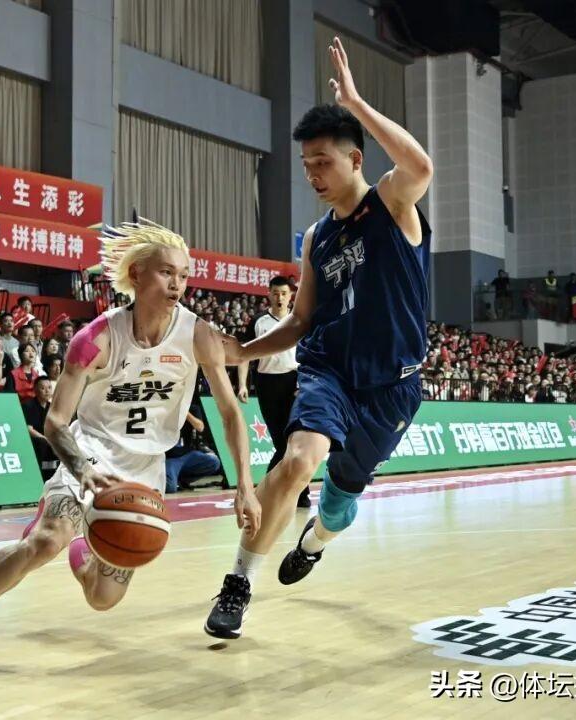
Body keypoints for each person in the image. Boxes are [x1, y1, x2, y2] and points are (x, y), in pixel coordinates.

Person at [0, 219, 261, 675]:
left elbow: (231, 413)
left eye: (183, 275)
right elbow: (56, 422)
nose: (177, 284)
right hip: (91, 454)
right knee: (44, 542)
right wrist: (81, 469)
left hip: (145, 472)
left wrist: (245, 485)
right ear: (136, 274)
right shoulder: (95, 338)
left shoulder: (198, 335)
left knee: (102, 599)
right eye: (165, 273)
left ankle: (85, 551)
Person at [204, 37, 433, 640]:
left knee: (338, 506)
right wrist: (241, 351)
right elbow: (301, 319)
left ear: (356, 159)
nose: (312, 175)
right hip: (329, 371)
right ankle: (238, 582)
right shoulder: (316, 238)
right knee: (298, 461)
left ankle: (315, 542)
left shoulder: (392, 204)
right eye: (306, 165)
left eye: (323, 163)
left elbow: (420, 167)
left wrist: (355, 104)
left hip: (393, 386)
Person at [239, 275, 310, 508]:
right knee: (281, 442)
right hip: (267, 383)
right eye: (276, 293)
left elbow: (308, 355)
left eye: (284, 293)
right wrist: (242, 384)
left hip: (294, 383)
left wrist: (303, 383)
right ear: (268, 294)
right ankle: (270, 491)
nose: (280, 298)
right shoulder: (258, 322)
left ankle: (296, 493)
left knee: (295, 440)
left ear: (291, 296)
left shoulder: (298, 321)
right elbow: (244, 354)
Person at [22, 376, 58, 481]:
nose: (47, 391)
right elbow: (29, 429)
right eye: (43, 388)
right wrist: (45, 439)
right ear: (35, 390)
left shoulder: (52, 407)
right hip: (35, 443)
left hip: (49, 443)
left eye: (49, 388)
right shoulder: (28, 406)